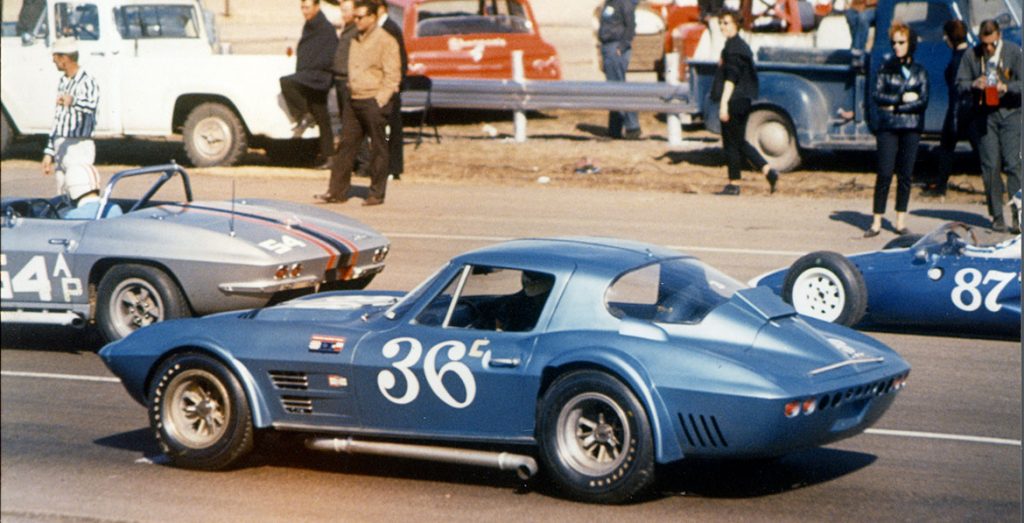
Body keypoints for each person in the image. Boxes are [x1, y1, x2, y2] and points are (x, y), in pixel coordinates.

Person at [316, 0, 400, 206]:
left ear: (372, 17)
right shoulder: (354, 38)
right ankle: (336, 191)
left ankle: (376, 193)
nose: (357, 21)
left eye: (361, 17)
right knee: (346, 146)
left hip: (373, 100)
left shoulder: (386, 40)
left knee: (378, 147)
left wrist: (380, 100)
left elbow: (392, 75)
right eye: (355, 17)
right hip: (354, 99)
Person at [956, 19, 1022, 233]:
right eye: (985, 44)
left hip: (1011, 113)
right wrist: (974, 84)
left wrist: (1007, 87)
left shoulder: (1013, 52)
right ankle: (997, 216)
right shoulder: (972, 55)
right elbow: (959, 83)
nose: (988, 48)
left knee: (1013, 164)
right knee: (990, 166)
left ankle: (1018, 215)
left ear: (999, 36)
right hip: (984, 115)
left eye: (992, 43)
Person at [865, 21, 928, 237]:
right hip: (888, 127)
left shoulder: (919, 71)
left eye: (901, 42)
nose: (897, 47)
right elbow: (877, 95)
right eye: (894, 43)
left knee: (906, 174)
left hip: (911, 127)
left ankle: (900, 220)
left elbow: (923, 101)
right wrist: (903, 99)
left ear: (910, 44)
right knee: (884, 172)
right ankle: (876, 221)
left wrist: (894, 106)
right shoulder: (885, 68)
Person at [711, 9, 778, 196]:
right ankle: (768, 171)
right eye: (721, 23)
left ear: (736, 24)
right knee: (739, 141)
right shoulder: (740, 46)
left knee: (731, 143)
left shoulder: (733, 48)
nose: (722, 26)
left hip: (734, 100)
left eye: (726, 23)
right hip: (743, 100)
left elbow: (731, 79)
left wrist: (724, 104)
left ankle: (734, 184)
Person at [280, 0, 339, 168]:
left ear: (316, 7)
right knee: (322, 117)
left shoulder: (324, 27)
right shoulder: (311, 25)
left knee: (287, 82)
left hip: (318, 77)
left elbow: (327, 53)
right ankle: (329, 156)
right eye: (302, 7)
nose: (304, 11)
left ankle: (305, 115)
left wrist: (312, 70)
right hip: (310, 75)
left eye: (307, 7)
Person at [42, 38, 99, 196]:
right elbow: (58, 120)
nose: (54, 62)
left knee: (80, 190)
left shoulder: (87, 81)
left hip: (78, 145)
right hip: (61, 144)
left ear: (64, 58)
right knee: (62, 192)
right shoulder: (63, 82)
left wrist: (73, 101)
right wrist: (49, 152)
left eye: (55, 59)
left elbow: (91, 105)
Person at [924, 20, 974, 198]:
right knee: (982, 152)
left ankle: (940, 186)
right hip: (973, 111)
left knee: (946, 148)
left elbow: (954, 86)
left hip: (957, 109)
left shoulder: (956, 59)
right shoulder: (973, 55)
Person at [598, 0, 641, 140]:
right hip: (607, 47)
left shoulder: (624, 2)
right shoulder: (609, 3)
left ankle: (632, 126)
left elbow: (631, 27)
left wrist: (621, 47)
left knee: (619, 88)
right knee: (613, 89)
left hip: (616, 47)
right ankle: (614, 128)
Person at [377, 0, 407, 180]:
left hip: (392, 84)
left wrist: (397, 81)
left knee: (393, 127)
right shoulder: (384, 27)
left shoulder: (389, 28)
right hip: (385, 83)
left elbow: (400, 57)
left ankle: (393, 167)